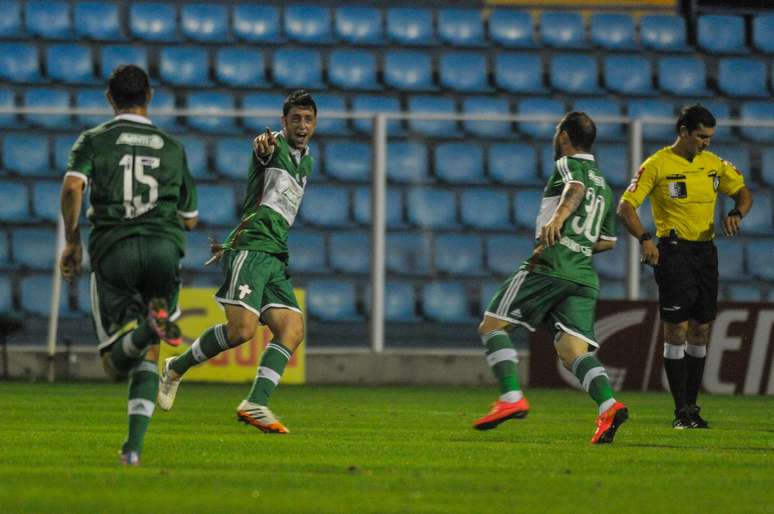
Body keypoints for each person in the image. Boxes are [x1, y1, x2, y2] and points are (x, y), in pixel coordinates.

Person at [59, 64, 199, 466]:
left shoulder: (94, 140)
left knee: (114, 363)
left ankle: (141, 332)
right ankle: (132, 449)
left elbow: (72, 186)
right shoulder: (173, 147)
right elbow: (190, 218)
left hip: (115, 249)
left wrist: (72, 242)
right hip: (163, 249)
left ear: (109, 97)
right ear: (150, 96)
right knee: (150, 355)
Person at [157, 90, 317, 434]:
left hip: (275, 255)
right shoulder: (270, 147)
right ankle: (175, 368)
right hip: (251, 248)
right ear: (283, 123)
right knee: (241, 331)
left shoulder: (307, 159)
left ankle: (256, 402)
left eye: (308, 119)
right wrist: (262, 146)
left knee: (293, 328)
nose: (302, 126)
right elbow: (262, 148)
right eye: (295, 119)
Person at [473, 112, 628, 444]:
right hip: (583, 273)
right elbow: (609, 241)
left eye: (558, 132)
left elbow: (575, 187)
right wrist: (578, 245)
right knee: (572, 350)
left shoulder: (569, 165)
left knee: (492, 325)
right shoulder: (605, 183)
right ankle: (609, 405)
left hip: (550, 262)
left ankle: (511, 398)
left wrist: (557, 220)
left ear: (564, 137)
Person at [617, 104, 752, 429]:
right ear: (684, 132)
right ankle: (681, 411)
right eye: (701, 137)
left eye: (709, 137)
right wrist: (645, 239)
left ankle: (692, 407)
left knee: (701, 330)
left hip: (706, 252)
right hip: (674, 251)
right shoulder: (658, 164)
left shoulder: (714, 164)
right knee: (676, 329)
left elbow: (744, 193)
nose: (706, 143)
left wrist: (737, 213)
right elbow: (625, 206)